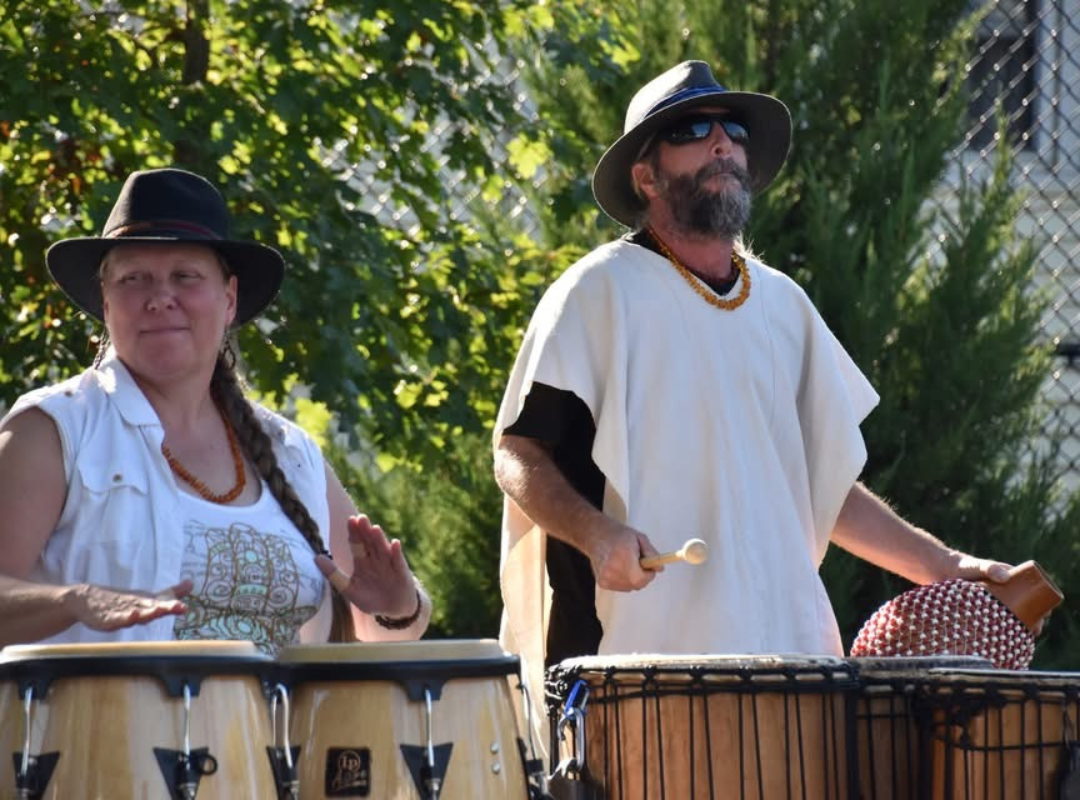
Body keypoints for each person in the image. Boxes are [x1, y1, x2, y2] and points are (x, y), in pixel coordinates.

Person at [493, 61, 1014, 714]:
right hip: (632, 681)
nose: (723, 142)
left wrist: (946, 567)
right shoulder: (597, 293)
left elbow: (821, 488)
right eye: (693, 129)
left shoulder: (783, 305)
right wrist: (599, 535)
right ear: (646, 175)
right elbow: (518, 454)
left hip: (790, 670)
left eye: (733, 128)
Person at [0, 167, 430, 654]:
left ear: (228, 299)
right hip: (99, 731)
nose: (161, 298)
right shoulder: (52, 431)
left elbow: (388, 630)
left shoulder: (290, 453)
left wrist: (399, 608)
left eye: (185, 276)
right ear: (105, 300)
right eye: (133, 278)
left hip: (279, 733)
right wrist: (73, 601)